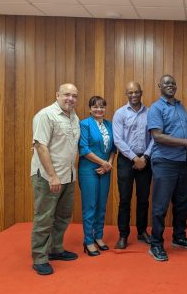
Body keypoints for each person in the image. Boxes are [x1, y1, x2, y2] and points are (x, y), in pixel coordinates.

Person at [147, 74, 187, 262]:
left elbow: (184, 129)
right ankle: (156, 244)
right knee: (161, 206)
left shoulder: (180, 106)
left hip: (183, 161)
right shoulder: (156, 108)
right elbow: (158, 136)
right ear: (159, 85)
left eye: (173, 83)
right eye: (167, 83)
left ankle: (179, 236)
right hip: (165, 162)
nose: (170, 86)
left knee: (182, 202)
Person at [30, 83, 80, 275]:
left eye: (74, 96)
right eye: (66, 95)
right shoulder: (45, 115)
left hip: (68, 175)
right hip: (49, 177)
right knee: (44, 217)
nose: (70, 99)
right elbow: (41, 146)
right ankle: (39, 257)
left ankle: (55, 249)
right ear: (57, 95)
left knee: (63, 216)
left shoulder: (74, 117)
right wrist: (52, 176)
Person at [113, 82, 153, 249]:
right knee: (124, 199)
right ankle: (123, 235)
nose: (134, 95)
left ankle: (142, 231)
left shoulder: (151, 113)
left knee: (143, 199)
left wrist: (145, 157)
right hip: (125, 161)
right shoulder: (120, 113)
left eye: (136, 92)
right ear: (126, 94)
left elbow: (155, 137)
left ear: (141, 93)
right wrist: (133, 158)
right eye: (130, 92)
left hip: (146, 160)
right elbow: (118, 140)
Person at [78, 96, 116, 256]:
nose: (98, 110)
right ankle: (88, 241)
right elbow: (84, 149)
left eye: (101, 107)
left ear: (105, 109)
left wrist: (109, 164)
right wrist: (104, 163)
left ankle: (98, 237)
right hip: (88, 171)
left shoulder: (109, 124)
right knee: (90, 206)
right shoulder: (84, 124)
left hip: (105, 170)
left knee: (101, 205)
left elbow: (114, 148)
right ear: (89, 109)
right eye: (95, 107)